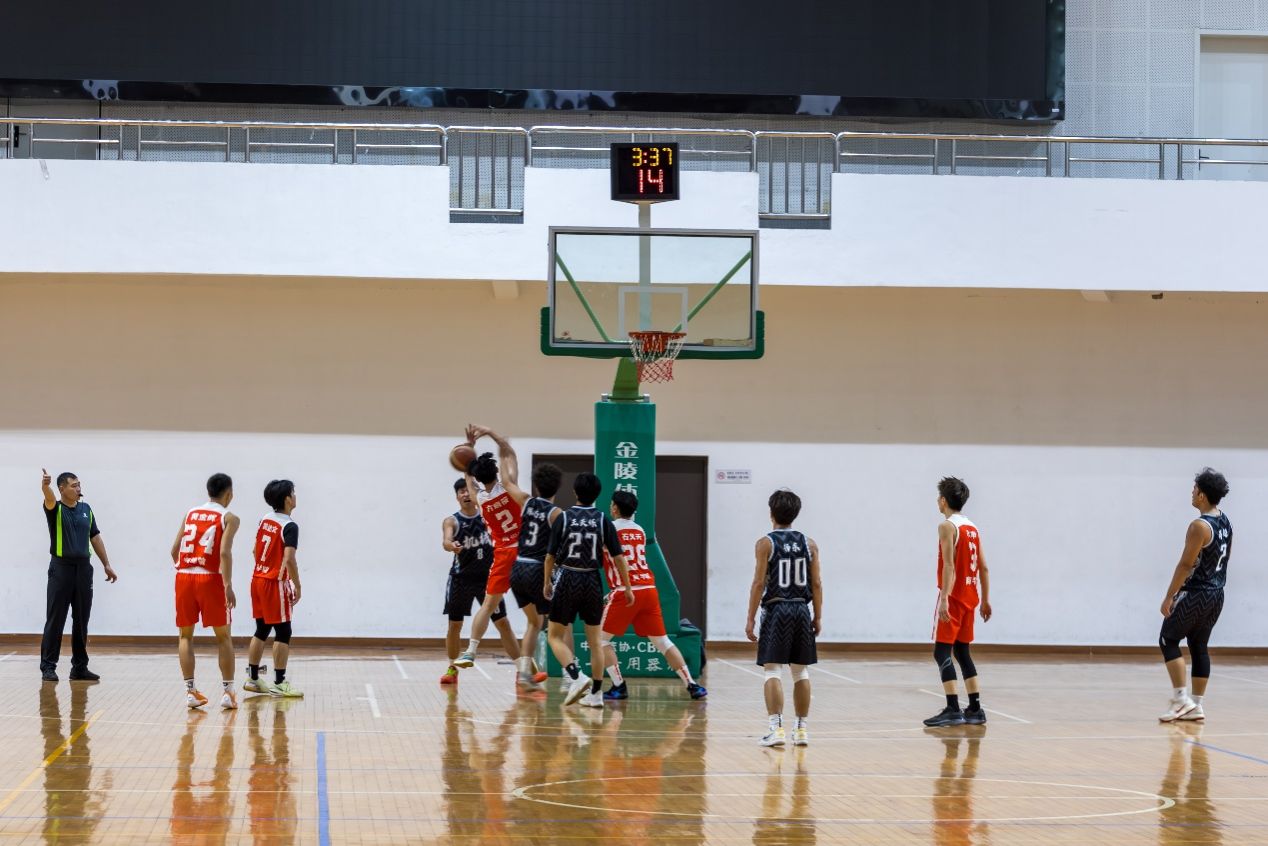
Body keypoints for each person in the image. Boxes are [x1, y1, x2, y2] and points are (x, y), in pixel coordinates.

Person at [599, 490, 706, 701]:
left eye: (612, 504)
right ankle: (692, 685)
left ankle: (619, 686)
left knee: (599, 640)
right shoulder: (639, 530)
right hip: (648, 589)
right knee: (662, 641)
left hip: (626, 591)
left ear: (615, 508)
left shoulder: (608, 529)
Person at [543, 473, 634, 709]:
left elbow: (550, 556)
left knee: (554, 636)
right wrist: (627, 587)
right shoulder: (603, 520)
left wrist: (546, 582)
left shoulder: (564, 517)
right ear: (598, 495)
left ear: (575, 492)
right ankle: (596, 694)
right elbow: (619, 558)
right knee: (595, 642)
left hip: (568, 577)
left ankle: (576, 676)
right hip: (592, 579)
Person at [745, 489, 822, 747]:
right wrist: (818, 616)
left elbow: (758, 584)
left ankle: (776, 729)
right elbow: (817, 583)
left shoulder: (765, 544)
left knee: (772, 671)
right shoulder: (810, 544)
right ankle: (801, 730)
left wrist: (750, 618)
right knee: (801, 672)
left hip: (776, 609)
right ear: (795, 514)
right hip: (801, 609)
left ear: (771, 513)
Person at [1158, 468, 1232, 723]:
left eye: (1194, 489)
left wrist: (1170, 595)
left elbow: (1185, 564)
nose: (1191, 492)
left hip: (1197, 593)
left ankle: (1181, 701)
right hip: (1217, 594)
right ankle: (1197, 705)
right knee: (1199, 645)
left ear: (1201, 495)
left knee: (1168, 640)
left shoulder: (1199, 526)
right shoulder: (1225, 521)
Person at [453, 425, 528, 670]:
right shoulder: (509, 487)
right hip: (525, 553)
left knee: (487, 606)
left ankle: (471, 651)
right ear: (496, 471)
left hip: (503, 555)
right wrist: (491, 433)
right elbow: (508, 451)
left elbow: (469, 479)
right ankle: (534, 663)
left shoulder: (481, 499)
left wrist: (469, 449)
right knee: (536, 614)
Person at [440, 477, 526, 685]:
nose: (465, 494)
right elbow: (446, 541)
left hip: (487, 578)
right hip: (461, 579)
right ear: (457, 497)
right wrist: (451, 546)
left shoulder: (487, 515)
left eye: (467, 490)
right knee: (454, 625)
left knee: (503, 623)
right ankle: (452, 668)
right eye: (461, 491)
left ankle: (521, 671)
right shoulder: (452, 521)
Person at [924, 477, 993, 728]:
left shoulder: (947, 526)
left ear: (943, 500)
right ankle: (975, 708)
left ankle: (953, 708)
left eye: (938, 497)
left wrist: (944, 598)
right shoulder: (972, 527)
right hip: (971, 597)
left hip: (953, 597)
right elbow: (983, 567)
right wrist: (985, 600)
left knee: (941, 651)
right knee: (962, 652)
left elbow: (949, 566)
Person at [40, 469, 118, 683]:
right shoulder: (55, 508)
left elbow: (95, 537)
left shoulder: (86, 509)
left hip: (84, 570)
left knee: (81, 620)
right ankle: (48, 667)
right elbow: (48, 497)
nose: (78, 488)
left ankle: (79, 668)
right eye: (74, 485)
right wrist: (45, 487)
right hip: (61, 570)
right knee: (56, 619)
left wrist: (107, 564)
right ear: (62, 489)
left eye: (79, 484)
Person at [170, 473, 240, 710]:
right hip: (210, 579)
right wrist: (228, 585)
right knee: (223, 637)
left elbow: (174, 550)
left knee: (185, 636)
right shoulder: (229, 517)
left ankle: (190, 692)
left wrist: (186, 569)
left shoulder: (190, 513)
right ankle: (228, 693)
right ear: (229, 494)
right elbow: (224, 553)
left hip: (184, 576)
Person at [244, 480, 304, 698]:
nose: (295, 496)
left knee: (261, 629)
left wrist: (265, 567)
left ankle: (252, 678)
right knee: (284, 631)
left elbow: (254, 550)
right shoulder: (290, 526)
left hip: (257, 579)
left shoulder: (265, 519)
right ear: (287, 499)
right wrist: (297, 585)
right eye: (293, 493)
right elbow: (289, 559)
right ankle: (279, 682)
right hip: (274, 582)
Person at [509, 463, 564, 691]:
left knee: (534, 622)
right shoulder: (556, 513)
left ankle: (524, 673)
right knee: (563, 622)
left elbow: (507, 482)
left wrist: (504, 449)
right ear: (557, 488)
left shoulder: (526, 501)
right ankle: (572, 675)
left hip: (517, 569)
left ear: (536, 486)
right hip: (537, 570)